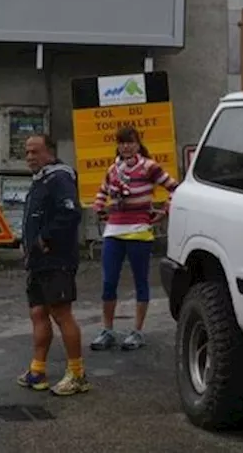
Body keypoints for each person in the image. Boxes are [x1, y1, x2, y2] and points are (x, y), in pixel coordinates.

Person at [89, 125, 180, 352]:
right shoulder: (113, 169)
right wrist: (99, 206)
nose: (126, 147)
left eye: (130, 142)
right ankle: (107, 330)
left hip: (139, 230)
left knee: (140, 281)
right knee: (109, 281)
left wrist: (165, 210)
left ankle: (137, 331)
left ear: (138, 144)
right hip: (114, 231)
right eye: (122, 143)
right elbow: (103, 191)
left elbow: (175, 188)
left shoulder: (149, 167)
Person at [15, 134, 90, 396]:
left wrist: (46, 237)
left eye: (35, 152)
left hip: (56, 259)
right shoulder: (40, 180)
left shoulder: (60, 177)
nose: (29, 157)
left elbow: (69, 212)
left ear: (50, 152)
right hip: (37, 261)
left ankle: (77, 374)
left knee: (61, 313)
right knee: (38, 312)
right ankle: (38, 370)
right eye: (27, 152)